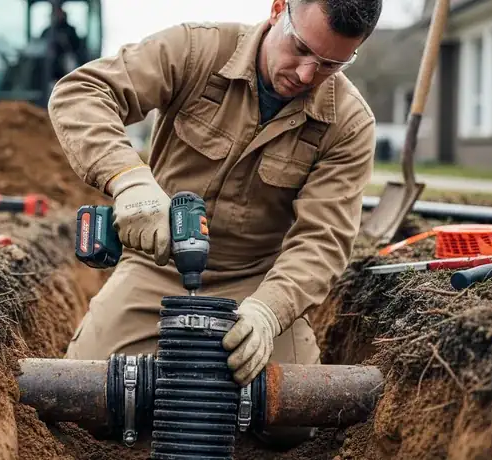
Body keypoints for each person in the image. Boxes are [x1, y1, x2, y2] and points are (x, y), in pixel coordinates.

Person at [48, 0, 381, 448]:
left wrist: (269, 313)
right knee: (85, 399)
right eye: (301, 48)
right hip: (157, 269)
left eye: (330, 64)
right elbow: (81, 93)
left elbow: (322, 242)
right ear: (278, 9)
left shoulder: (349, 124)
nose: (306, 74)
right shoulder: (196, 49)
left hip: (258, 282)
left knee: (293, 424)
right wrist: (128, 180)